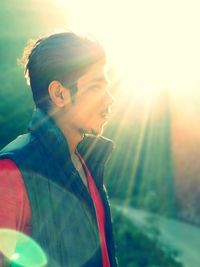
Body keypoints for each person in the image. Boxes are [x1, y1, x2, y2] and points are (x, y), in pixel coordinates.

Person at [0, 32, 117, 267]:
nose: (109, 99)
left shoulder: (87, 162)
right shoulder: (11, 171)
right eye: (95, 87)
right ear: (59, 94)